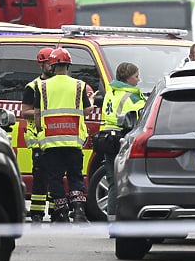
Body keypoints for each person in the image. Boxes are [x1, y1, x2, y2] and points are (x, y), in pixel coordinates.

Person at [35, 47, 93, 223]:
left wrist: (40, 131)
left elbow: (37, 114)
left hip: (51, 142)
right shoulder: (79, 85)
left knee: (55, 178)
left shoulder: (42, 86)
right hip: (73, 141)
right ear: (68, 65)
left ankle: (61, 213)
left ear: (52, 65)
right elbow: (86, 110)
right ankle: (78, 210)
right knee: (75, 176)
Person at [95, 62, 145, 222]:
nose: (138, 80)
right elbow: (143, 118)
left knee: (112, 183)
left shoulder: (111, 91)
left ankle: (112, 222)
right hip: (122, 139)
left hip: (106, 139)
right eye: (136, 76)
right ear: (128, 78)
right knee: (127, 183)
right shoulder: (132, 96)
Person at [22, 47, 55, 224]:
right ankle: (37, 213)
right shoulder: (32, 87)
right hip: (38, 139)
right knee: (40, 177)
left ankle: (57, 211)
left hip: (57, 137)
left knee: (56, 176)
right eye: (50, 63)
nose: (53, 66)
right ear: (41, 64)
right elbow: (24, 111)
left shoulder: (60, 86)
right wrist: (42, 112)